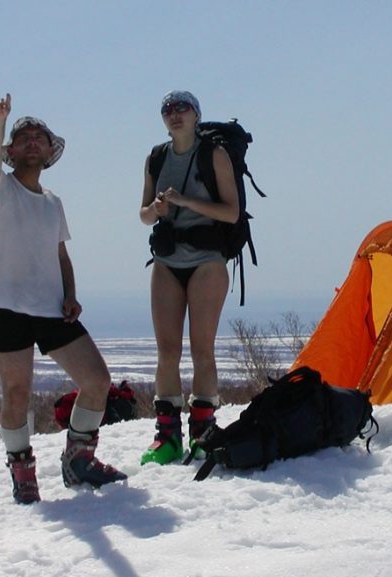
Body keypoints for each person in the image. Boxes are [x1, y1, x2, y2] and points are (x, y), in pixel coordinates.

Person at [0, 93, 126, 504]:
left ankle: (79, 460)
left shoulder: (53, 203)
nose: (32, 142)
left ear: (49, 151)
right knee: (17, 394)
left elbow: (60, 254)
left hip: (52, 308)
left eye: (39, 138)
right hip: (7, 306)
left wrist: (71, 295)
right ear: (11, 150)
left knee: (97, 380)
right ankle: (22, 471)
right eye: (23, 137)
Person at [138, 90, 240, 465]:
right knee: (167, 351)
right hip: (167, 259)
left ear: (196, 114)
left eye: (182, 108)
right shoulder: (156, 157)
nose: (174, 115)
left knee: (202, 349)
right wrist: (157, 208)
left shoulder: (214, 154)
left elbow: (231, 213)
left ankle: (202, 432)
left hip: (207, 260)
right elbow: (144, 215)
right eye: (167, 109)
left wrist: (185, 202)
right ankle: (167, 438)